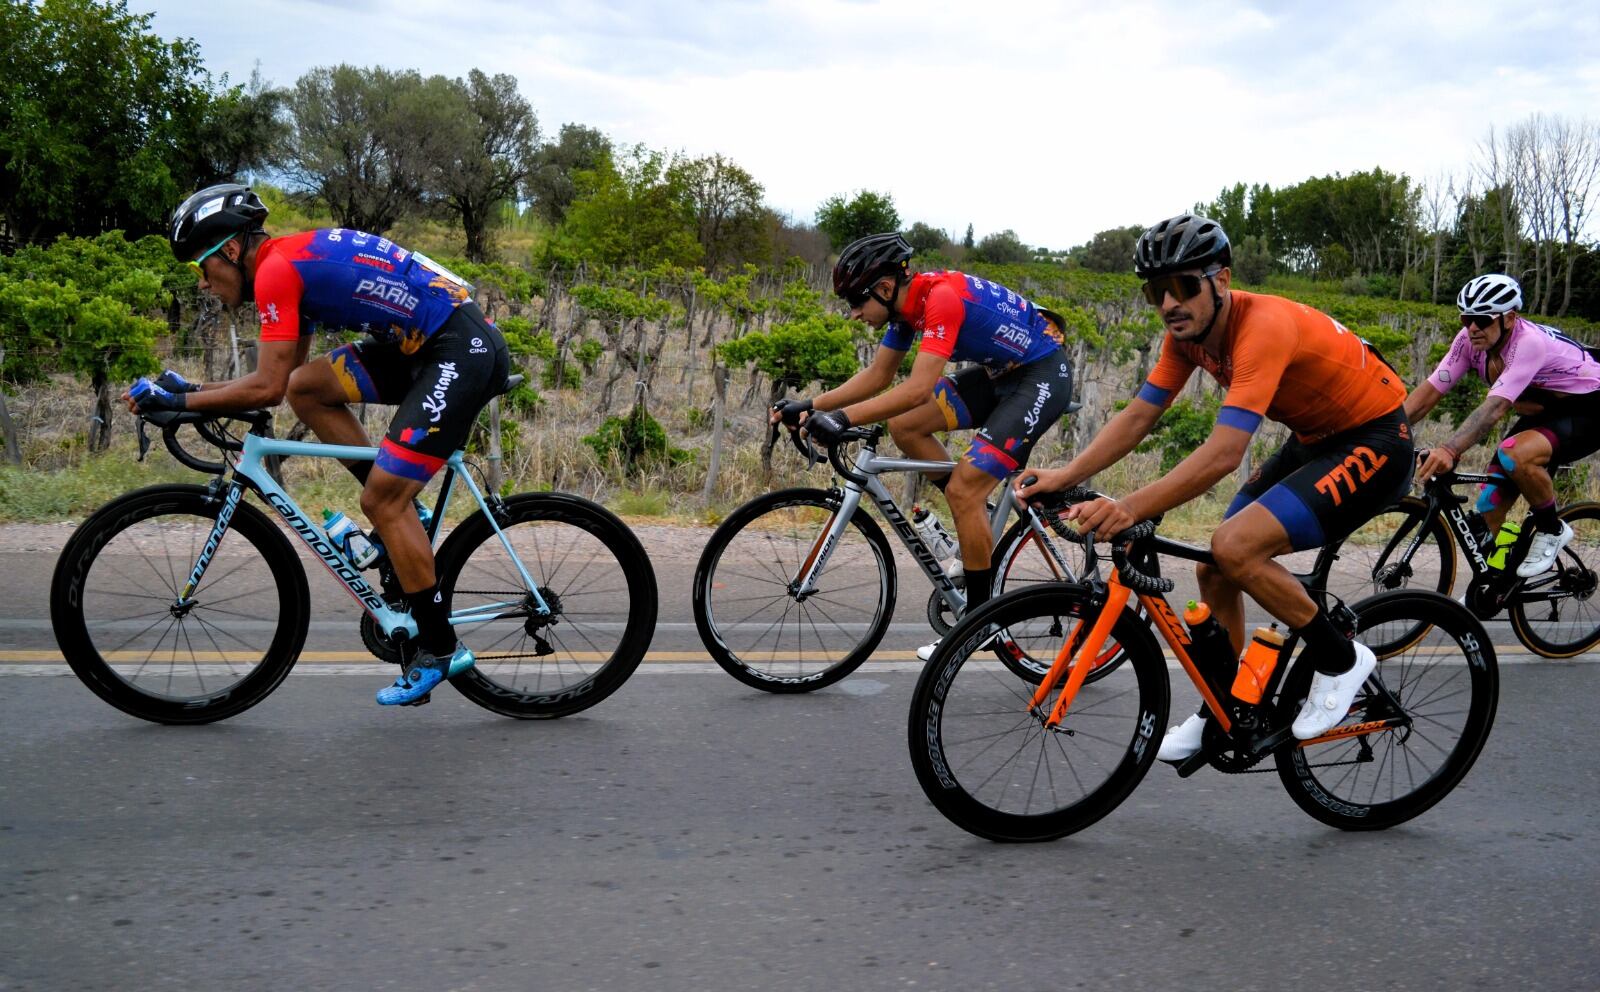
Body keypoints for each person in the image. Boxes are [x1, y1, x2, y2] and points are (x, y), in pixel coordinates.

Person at [1019, 213, 1414, 759]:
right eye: (1157, 291)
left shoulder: (1264, 326)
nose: (1169, 303)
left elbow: (1225, 454)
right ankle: (1226, 711)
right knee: (1213, 566)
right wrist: (1066, 474)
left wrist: (1129, 505)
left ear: (1221, 280)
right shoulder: (1183, 337)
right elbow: (1139, 416)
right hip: (1315, 438)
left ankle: (1342, 660)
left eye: (1183, 286)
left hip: (1377, 439)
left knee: (1236, 546)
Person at [124, 183, 510, 706]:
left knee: (380, 500)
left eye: (201, 269)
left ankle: (441, 649)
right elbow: (282, 383)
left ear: (231, 252)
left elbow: (262, 389)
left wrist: (183, 402)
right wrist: (189, 391)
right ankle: (410, 513)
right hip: (427, 345)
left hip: (459, 350)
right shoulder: (281, 267)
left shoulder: (279, 272)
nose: (202, 285)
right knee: (311, 387)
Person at [773, 232, 1074, 659]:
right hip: (1001, 373)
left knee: (963, 487)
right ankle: (981, 522)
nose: (855, 314)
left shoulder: (941, 299)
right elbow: (878, 377)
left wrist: (841, 419)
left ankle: (981, 621)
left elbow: (916, 388)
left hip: (1041, 376)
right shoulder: (903, 310)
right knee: (906, 427)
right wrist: (810, 404)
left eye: (857, 302)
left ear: (883, 287)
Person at [1404, 273, 1600, 577]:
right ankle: (1497, 583)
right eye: (1466, 318)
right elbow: (1431, 391)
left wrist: (1449, 449)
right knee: (1488, 508)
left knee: (1515, 454)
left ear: (1509, 318)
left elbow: (1496, 407)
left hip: (1590, 407)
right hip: (1549, 411)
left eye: (1482, 319)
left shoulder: (1528, 343)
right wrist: (1389, 431)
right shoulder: (1469, 341)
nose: (1472, 327)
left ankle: (1552, 529)